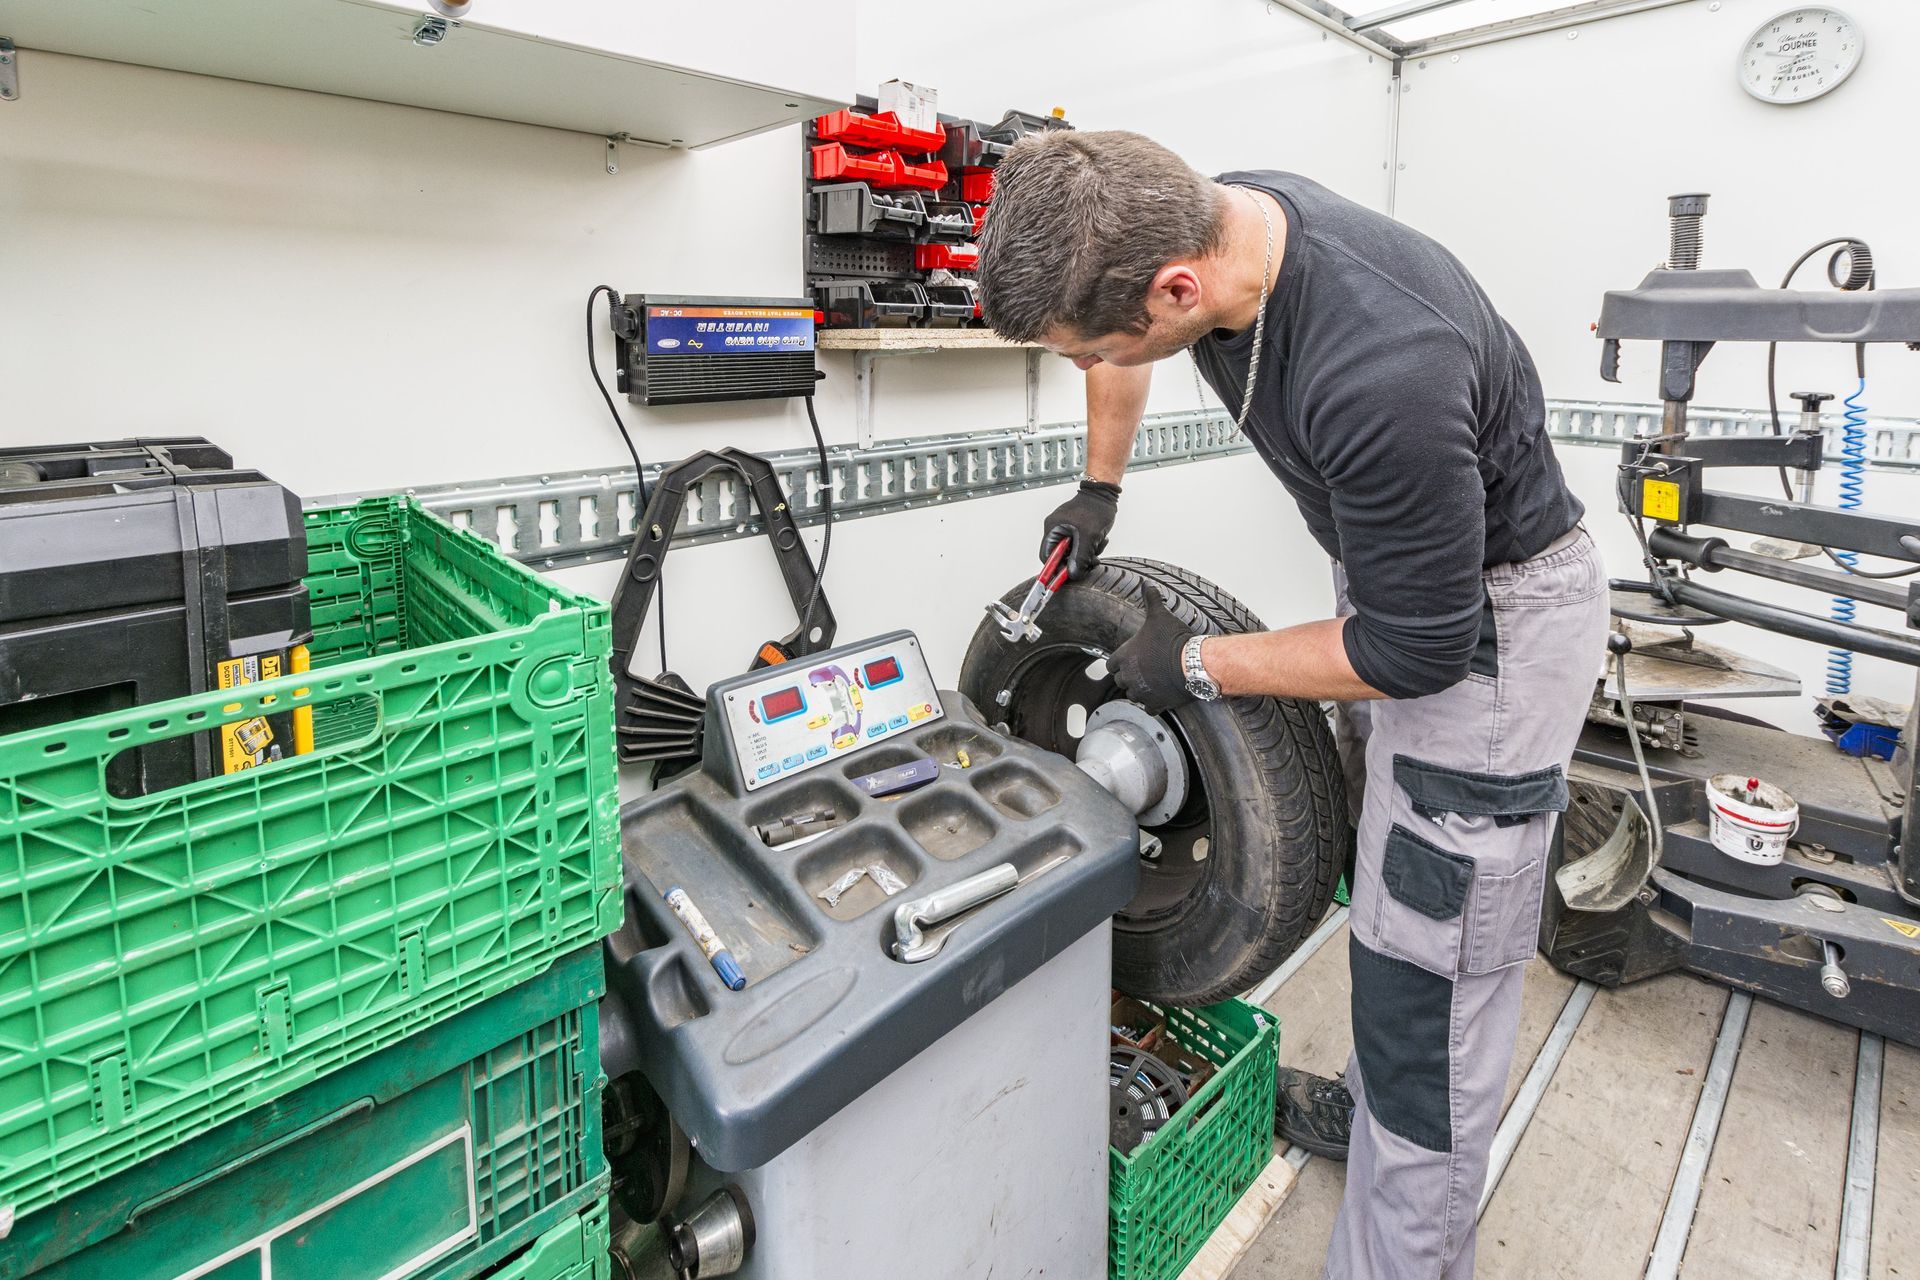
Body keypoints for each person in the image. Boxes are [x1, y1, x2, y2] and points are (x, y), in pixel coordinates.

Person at [975, 130, 1606, 1279]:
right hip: (1402, 592)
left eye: (1088, 348)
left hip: (1490, 640)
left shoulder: (1381, 367)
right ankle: (1377, 1114)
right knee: (1385, 871)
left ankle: (1403, 1231)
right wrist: (1097, 488)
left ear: (1178, 288)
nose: (1092, 367)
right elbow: (1121, 344)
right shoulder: (1210, 219)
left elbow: (1416, 647)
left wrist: (1202, 662)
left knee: (1436, 974)